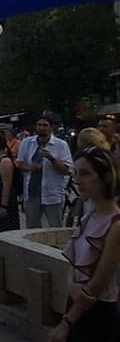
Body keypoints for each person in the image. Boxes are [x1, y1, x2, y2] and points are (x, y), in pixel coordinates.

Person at [51, 146, 120, 341]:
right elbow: (72, 263)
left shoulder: (115, 225)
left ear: (105, 177)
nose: (77, 179)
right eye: (75, 173)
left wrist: (66, 323)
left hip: (99, 314)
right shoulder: (88, 218)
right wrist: (71, 285)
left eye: (85, 174)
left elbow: (99, 283)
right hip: (75, 305)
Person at [17, 115, 72, 229]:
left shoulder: (61, 145)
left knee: (55, 228)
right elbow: (20, 163)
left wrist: (51, 158)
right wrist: (30, 168)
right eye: (39, 125)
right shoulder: (27, 143)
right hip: (32, 193)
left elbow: (66, 170)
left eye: (45, 125)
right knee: (32, 229)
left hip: (52, 194)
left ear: (51, 128)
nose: (42, 128)